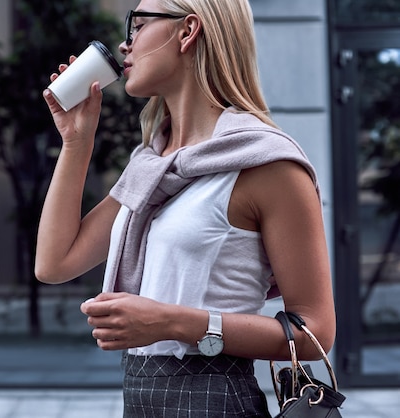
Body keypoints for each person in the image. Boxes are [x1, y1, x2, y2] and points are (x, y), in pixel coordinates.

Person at [36, 0, 336, 416]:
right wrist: (75, 141)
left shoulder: (268, 164)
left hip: (215, 397)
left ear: (188, 30)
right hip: (139, 397)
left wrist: (173, 322)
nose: (126, 45)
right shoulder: (152, 166)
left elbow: (315, 332)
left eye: (138, 25)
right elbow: (54, 264)